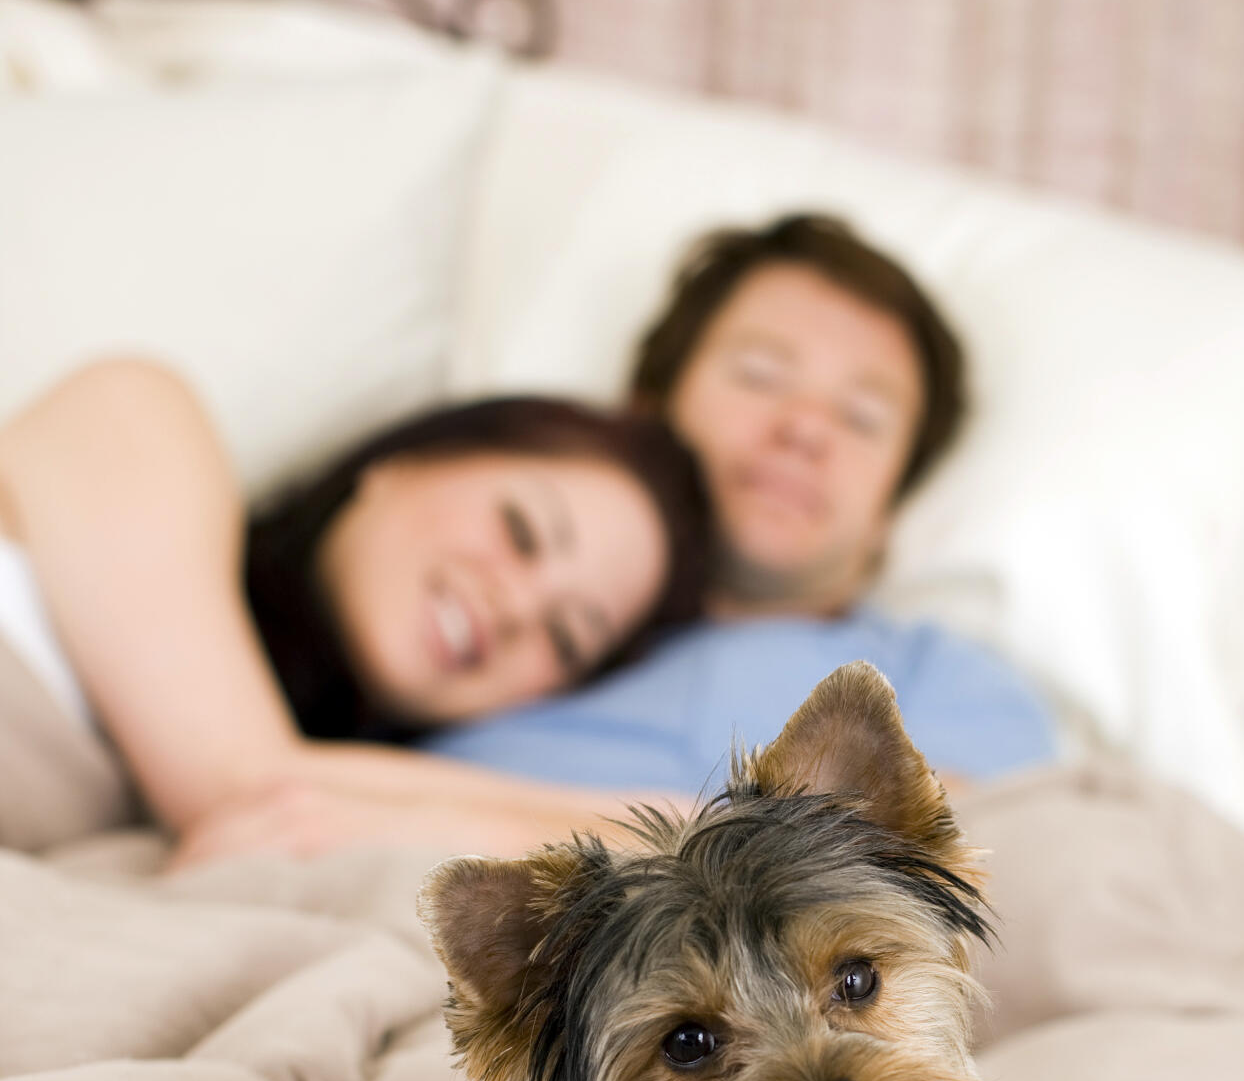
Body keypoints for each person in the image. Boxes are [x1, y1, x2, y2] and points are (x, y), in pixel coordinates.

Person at [423, 214, 1056, 796]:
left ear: (886, 515)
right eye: (759, 374)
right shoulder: (504, 601)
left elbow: (969, 860)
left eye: (862, 418)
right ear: (646, 412)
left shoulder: (944, 684)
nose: (805, 428)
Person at [0, 360, 711, 861]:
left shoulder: (344, 815)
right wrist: (647, 830)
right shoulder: (141, 418)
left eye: (564, 638)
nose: (516, 606)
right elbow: (247, 786)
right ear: (405, 463)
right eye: (520, 530)